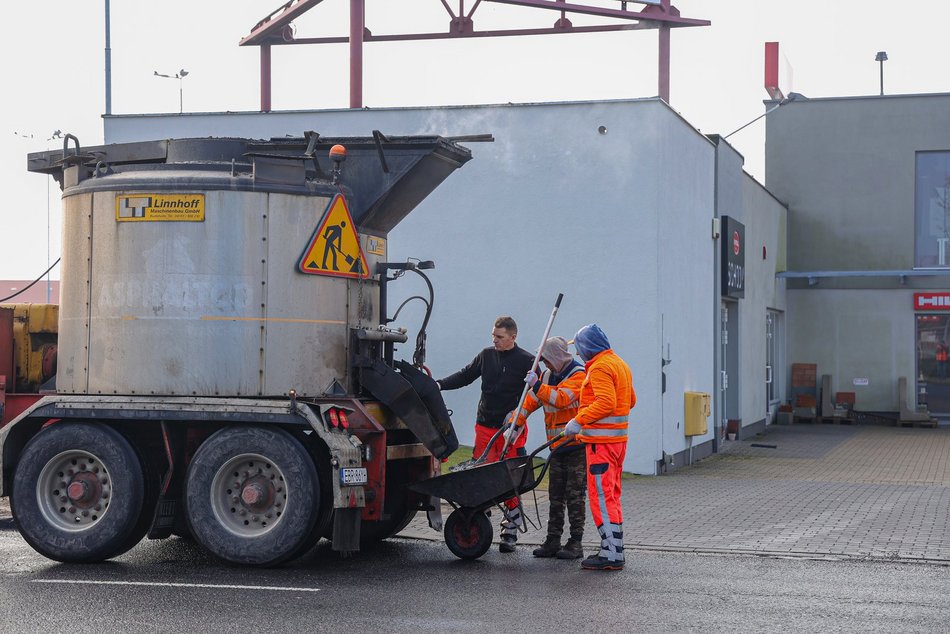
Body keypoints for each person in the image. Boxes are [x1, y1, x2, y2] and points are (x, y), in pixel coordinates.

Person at [436, 315, 535, 553]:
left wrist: (518, 418)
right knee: (481, 475)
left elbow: (535, 396)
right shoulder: (486, 355)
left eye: (499, 337)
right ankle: (481, 518)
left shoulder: (527, 361)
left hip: (511, 428)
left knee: (510, 479)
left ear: (513, 337)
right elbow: (466, 375)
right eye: (493, 335)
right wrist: (438, 385)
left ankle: (510, 529)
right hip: (484, 424)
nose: (495, 340)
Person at [564, 323, 636, 571]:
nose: (577, 354)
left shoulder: (599, 368)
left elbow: (606, 402)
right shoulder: (619, 364)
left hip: (602, 446)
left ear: (587, 347)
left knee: (601, 498)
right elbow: (631, 400)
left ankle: (612, 554)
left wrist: (578, 420)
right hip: (617, 443)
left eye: (579, 348)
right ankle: (613, 548)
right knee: (612, 496)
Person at [508, 336, 587, 560]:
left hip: (576, 446)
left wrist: (539, 386)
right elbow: (529, 402)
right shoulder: (547, 375)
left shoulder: (578, 375)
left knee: (575, 497)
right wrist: (514, 424)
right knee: (555, 497)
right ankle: (552, 540)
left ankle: (575, 543)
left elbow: (560, 398)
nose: (545, 365)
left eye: (547, 360)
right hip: (556, 447)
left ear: (557, 356)